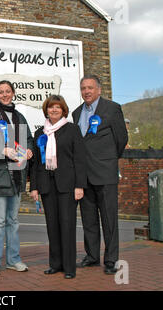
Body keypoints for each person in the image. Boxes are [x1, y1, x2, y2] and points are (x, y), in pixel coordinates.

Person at [72, 74, 128, 275]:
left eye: (90, 88)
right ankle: (92, 256)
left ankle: (111, 259)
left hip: (105, 174)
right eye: (83, 88)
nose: (86, 91)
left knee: (109, 219)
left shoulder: (112, 109)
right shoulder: (76, 113)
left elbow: (121, 138)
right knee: (88, 219)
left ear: (99, 90)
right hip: (84, 176)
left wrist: (109, 160)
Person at [29, 95, 86, 279]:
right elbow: (36, 163)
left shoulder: (72, 130)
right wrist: (34, 187)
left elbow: (79, 159)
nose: (54, 110)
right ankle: (55, 264)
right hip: (47, 185)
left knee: (67, 225)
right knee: (52, 226)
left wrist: (79, 185)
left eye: (57, 107)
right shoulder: (40, 133)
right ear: (46, 110)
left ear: (63, 110)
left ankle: (69, 267)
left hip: (68, 186)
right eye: (51, 107)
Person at [0, 80, 34, 275]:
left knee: (13, 221)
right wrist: (2, 150)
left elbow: (28, 139)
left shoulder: (20, 117)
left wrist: (29, 149)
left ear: (13, 93)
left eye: (8, 91)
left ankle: (13, 259)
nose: (5, 94)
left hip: (17, 175)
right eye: (1, 92)